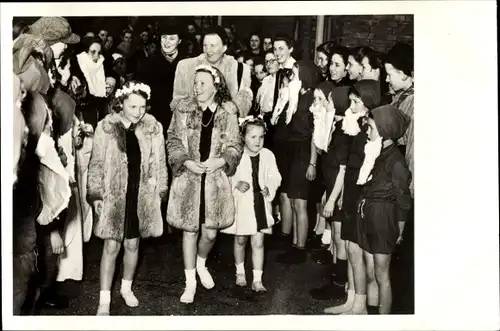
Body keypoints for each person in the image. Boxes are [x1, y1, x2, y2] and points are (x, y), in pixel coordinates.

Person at [87, 81, 168, 315]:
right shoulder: (106, 127)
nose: (138, 112)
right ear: (120, 104)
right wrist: (96, 195)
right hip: (114, 195)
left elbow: (160, 163)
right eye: (132, 106)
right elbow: (96, 164)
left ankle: (126, 287)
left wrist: (160, 191)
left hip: (140, 193)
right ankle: (104, 299)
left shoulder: (153, 128)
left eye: (142, 107)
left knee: (133, 244)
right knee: (111, 246)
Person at [166, 65, 242, 304]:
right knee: (190, 229)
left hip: (214, 181)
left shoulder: (228, 112)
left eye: (202, 83)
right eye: (195, 82)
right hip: (188, 178)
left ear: (215, 86)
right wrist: (186, 162)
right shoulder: (182, 109)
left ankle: (201, 264)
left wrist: (221, 160)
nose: (197, 87)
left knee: (210, 232)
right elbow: (173, 140)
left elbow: (235, 145)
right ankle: (190, 282)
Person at [320, 79, 382, 313]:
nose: (352, 105)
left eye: (357, 102)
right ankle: (351, 299)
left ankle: (361, 305)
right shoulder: (351, 124)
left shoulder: (369, 130)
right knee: (349, 247)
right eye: (352, 101)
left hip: (361, 194)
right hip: (350, 191)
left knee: (357, 250)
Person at [356, 104, 412, 314]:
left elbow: (403, 200)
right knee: (370, 272)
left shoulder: (396, 161)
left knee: (381, 275)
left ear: (385, 130)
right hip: (369, 214)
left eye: (370, 127)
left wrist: (399, 230)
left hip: (383, 219)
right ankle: (371, 316)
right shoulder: (376, 152)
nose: (367, 131)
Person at [221, 116, 281, 292]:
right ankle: (240, 272)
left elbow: (275, 176)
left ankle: (257, 279)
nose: (257, 141)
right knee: (240, 239)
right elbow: (226, 175)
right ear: (243, 138)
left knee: (258, 242)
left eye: (261, 137)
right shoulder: (236, 155)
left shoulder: (268, 155)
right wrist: (236, 184)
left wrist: (269, 188)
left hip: (260, 205)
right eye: (253, 137)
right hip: (243, 204)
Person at [272, 60, 321, 264]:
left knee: (300, 202)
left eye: (295, 74)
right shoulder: (296, 96)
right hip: (293, 150)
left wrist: (312, 163)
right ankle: (293, 244)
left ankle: (300, 248)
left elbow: (315, 134)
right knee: (292, 200)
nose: (291, 78)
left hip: (304, 151)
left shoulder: (312, 98)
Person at [171, 25, 253, 118]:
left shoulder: (239, 70)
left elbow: (243, 107)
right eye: (205, 45)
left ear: (224, 48)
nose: (208, 50)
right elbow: (178, 103)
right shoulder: (186, 67)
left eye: (213, 46)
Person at [136, 20, 186, 133]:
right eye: (164, 37)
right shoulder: (148, 63)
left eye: (172, 38)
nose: (167, 42)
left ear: (180, 41)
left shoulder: (187, 63)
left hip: (181, 121)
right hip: (156, 121)